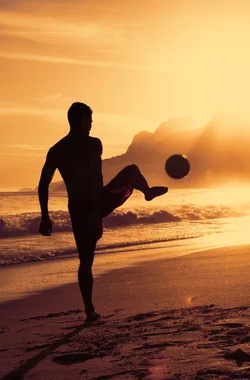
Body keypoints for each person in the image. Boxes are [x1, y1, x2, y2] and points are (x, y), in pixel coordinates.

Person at [38, 102, 168, 322]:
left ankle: (146, 191)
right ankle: (89, 310)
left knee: (132, 170)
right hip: (86, 207)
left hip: (93, 202)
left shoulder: (72, 148)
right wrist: (46, 216)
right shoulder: (74, 148)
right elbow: (46, 184)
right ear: (79, 120)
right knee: (86, 260)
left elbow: (54, 183)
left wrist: (47, 217)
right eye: (89, 120)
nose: (91, 124)